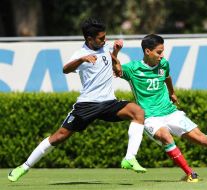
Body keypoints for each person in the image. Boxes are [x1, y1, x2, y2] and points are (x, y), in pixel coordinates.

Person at [8, 18, 147, 182]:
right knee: (59, 137)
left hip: (109, 102)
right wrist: (82, 60)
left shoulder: (105, 47)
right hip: (87, 105)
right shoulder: (80, 54)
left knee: (138, 112)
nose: (104, 40)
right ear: (89, 39)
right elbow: (65, 69)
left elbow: (111, 65)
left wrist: (115, 52)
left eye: (105, 37)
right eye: (101, 38)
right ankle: (23, 167)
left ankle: (129, 158)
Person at [113, 34, 207, 182]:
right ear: (147, 51)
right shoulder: (133, 68)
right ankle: (190, 173)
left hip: (170, 112)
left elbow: (167, 77)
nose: (162, 55)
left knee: (201, 139)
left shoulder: (163, 64)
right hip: (150, 117)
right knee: (166, 136)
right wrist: (115, 52)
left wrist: (172, 92)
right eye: (159, 52)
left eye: (162, 51)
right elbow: (117, 69)